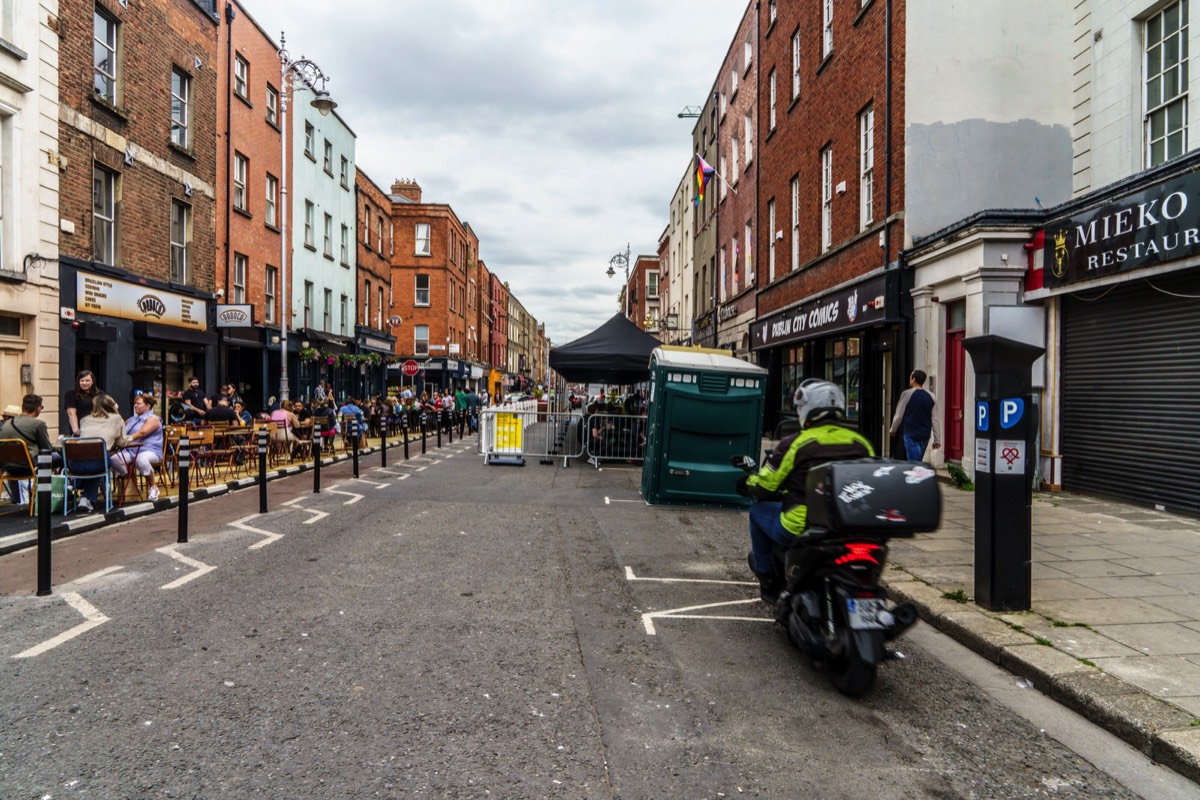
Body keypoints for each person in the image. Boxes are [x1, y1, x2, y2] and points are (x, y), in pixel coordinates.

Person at [740, 379, 874, 603]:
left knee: (757, 512)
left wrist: (746, 484)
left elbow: (767, 484)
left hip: (803, 523)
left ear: (807, 410)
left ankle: (768, 579)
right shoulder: (860, 442)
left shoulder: (797, 443)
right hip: (850, 523)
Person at [73, 393, 129, 513]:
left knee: (94, 459)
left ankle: (74, 485)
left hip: (75, 464)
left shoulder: (85, 419)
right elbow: (122, 442)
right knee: (99, 462)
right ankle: (87, 498)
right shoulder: (117, 419)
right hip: (98, 461)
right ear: (111, 405)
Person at [110, 394, 164, 502]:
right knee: (113, 460)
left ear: (147, 406)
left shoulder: (154, 419)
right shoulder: (132, 419)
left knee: (141, 459)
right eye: (135, 403)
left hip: (150, 451)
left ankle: (154, 487)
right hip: (131, 451)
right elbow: (120, 429)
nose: (135, 406)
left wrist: (127, 440)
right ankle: (131, 480)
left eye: (138, 403)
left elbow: (142, 432)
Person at [889, 369, 940, 462]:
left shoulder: (906, 394)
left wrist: (893, 429)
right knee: (917, 461)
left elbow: (898, 415)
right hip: (925, 435)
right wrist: (937, 440)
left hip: (911, 435)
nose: (910, 380)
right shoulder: (932, 396)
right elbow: (935, 419)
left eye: (910, 378)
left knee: (915, 463)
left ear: (913, 379)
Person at [64, 370, 102, 436]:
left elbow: (113, 406)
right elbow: (71, 412)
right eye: (82, 380)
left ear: (92, 381)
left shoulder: (100, 394)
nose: (84, 383)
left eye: (87, 381)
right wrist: (76, 429)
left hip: (97, 429)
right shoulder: (71, 394)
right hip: (80, 430)